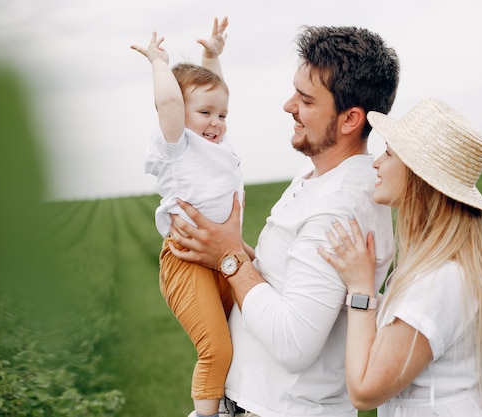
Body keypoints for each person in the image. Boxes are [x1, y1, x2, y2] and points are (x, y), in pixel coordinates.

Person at [168, 26, 400, 417]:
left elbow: (294, 343)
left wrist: (229, 259)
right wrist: (230, 248)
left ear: (349, 120)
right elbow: (291, 283)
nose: (288, 105)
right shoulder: (318, 179)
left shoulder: (339, 205)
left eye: (306, 99)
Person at [318, 97, 482, 416]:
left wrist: (361, 289)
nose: (376, 163)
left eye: (388, 153)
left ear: (418, 178)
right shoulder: (437, 268)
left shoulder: (439, 279)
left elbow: (364, 391)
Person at [131, 17, 248, 417]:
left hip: (224, 256)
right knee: (216, 348)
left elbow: (215, 92)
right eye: (205, 114)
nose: (216, 122)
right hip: (188, 261)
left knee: (246, 339)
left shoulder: (216, 141)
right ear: (181, 114)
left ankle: (236, 404)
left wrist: (210, 56)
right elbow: (170, 102)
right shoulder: (177, 145)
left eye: (222, 115)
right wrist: (159, 62)